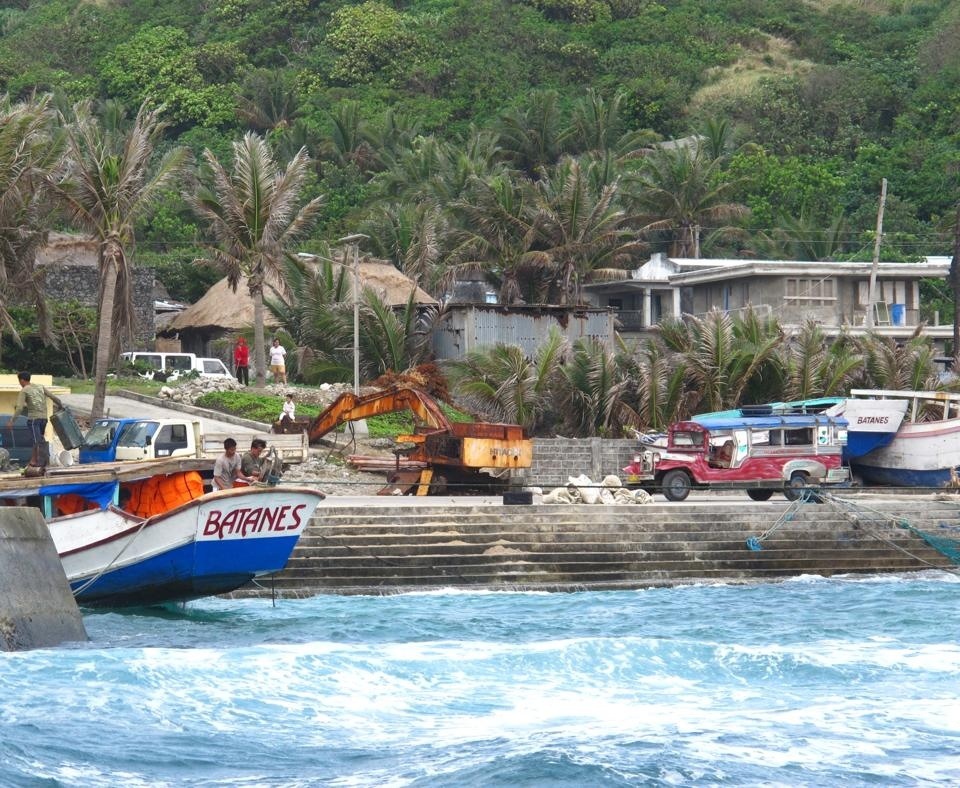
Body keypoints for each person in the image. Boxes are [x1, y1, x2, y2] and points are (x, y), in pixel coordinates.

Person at [15, 371, 63, 470]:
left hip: (34, 419)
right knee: (39, 439)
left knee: (37, 441)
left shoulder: (24, 390)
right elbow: (53, 397)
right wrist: (60, 406)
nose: (20, 383)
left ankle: (39, 461)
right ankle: (35, 461)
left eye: (19, 381)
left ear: (22, 380)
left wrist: (12, 420)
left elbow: (19, 408)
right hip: (44, 419)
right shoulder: (40, 387)